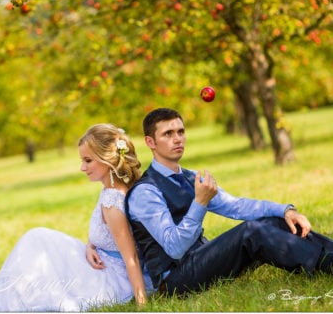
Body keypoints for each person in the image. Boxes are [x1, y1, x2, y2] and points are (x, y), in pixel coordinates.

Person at [126, 107, 333, 296]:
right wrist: (199, 203)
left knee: (274, 221)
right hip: (175, 280)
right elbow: (174, 248)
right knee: (250, 231)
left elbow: (236, 206)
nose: (177, 139)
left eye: (180, 132)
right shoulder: (146, 191)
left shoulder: (189, 177)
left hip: (200, 259)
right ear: (150, 142)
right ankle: (326, 265)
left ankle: (329, 256)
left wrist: (285, 210)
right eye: (168, 134)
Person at [0, 124, 153, 312]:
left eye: (88, 160)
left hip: (111, 278)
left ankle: (5, 304)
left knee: (40, 250)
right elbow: (108, 234)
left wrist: (142, 302)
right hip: (99, 258)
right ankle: (5, 300)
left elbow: (130, 256)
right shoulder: (109, 189)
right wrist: (91, 246)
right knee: (38, 238)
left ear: (107, 159)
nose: (83, 167)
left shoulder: (113, 201)